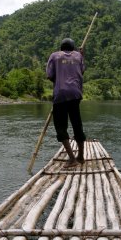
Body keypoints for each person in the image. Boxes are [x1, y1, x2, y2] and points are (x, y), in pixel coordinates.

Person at [46, 38, 86, 168]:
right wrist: (81, 56)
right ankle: (80, 156)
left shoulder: (54, 55)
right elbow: (82, 70)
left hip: (61, 94)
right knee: (77, 124)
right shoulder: (78, 56)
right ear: (73, 48)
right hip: (76, 94)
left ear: (61, 48)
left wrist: (60, 80)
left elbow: (49, 75)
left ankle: (72, 159)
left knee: (61, 127)